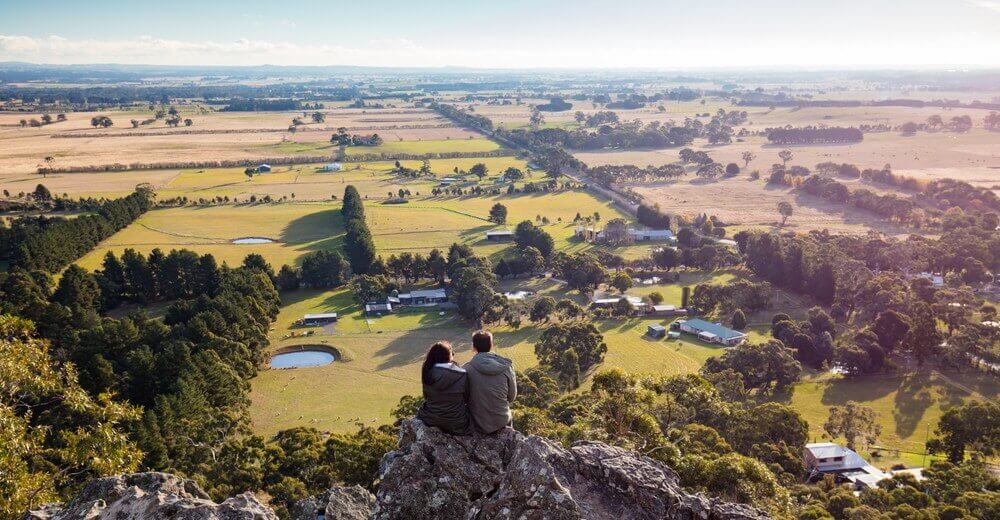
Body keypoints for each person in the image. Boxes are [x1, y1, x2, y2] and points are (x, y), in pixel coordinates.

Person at [464, 330, 517, 434]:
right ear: (491, 345)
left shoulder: (466, 369)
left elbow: (464, 398)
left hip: (477, 423)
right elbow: (512, 397)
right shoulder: (506, 367)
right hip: (503, 421)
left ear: (473, 347)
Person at [416, 341, 471, 435]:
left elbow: (426, 396)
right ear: (449, 356)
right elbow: (467, 397)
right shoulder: (462, 374)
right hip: (456, 422)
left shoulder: (427, 372)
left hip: (430, 418)